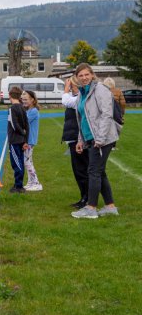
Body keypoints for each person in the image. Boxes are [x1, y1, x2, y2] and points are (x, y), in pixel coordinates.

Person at [69, 63, 121, 219]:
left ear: (92, 74)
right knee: (99, 172)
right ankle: (110, 207)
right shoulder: (81, 94)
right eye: (81, 75)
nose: (84, 78)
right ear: (77, 78)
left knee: (93, 171)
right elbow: (83, 119)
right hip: (90, 138)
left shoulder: (100, 90)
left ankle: (91, 208)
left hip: (102, 139)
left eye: (86, 74)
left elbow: (107, 115)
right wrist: (80, 140)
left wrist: (100, 139)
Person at [62, 76, 89, 208]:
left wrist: (66, 89)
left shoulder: (78, 99)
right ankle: (84, 197)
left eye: (73, 85)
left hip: (79, 139)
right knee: (78, 171)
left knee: (81, 170)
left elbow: (66, 101)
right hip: (73, 138)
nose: (71, 87)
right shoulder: (76, 97)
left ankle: (87, 198)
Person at [6, 86, 29, 193]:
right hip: (21, 140)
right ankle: (18, 183)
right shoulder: (22, 107)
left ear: (10, 95)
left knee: (16, 163)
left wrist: (22, 133)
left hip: (15, 140)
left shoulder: (12, 108)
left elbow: (15, 125)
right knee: (19, 161)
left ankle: (19, 186)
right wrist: (25, 140)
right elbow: (26, 124)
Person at [22, 90, 42, 191]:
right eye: (22, 99)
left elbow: (23, 122)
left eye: (26, 99)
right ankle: (30, 182)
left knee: (26, 162)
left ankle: (36, 183)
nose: (24, 101)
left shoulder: (33, 111)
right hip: (28, 140)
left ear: (32, 100)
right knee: (28, 161)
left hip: (30, 140)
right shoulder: (28, 111)